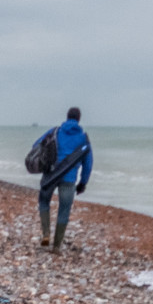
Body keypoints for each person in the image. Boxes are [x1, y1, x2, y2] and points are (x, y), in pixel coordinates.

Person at [34, 107, 92, 251]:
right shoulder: (84, 139)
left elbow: (36, 145)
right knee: (64, 211)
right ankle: (56, 246)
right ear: (79, 119)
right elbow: (88, 164)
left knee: (44, 202)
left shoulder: (55, 131)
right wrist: (82, 183)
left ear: (67, 117)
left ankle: (46, 235)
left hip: (50, 175)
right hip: (69, 180)